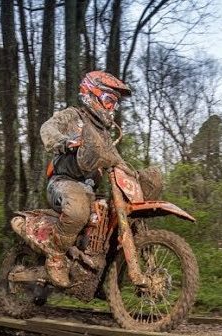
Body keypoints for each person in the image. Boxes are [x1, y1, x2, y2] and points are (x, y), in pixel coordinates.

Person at [18, 70, 161, 287]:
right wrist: (64, 142)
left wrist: (135, 175)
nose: (111, 107)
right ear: (92, 94)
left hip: (90, 190)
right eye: (109, 100)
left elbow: (118, 162)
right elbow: (48, 128)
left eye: (115, 104)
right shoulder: (74, 116)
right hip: (63, 182)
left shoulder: (104, 135)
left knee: (110, 217)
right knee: (78, 210)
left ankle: (101, 273)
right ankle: (55, 256)